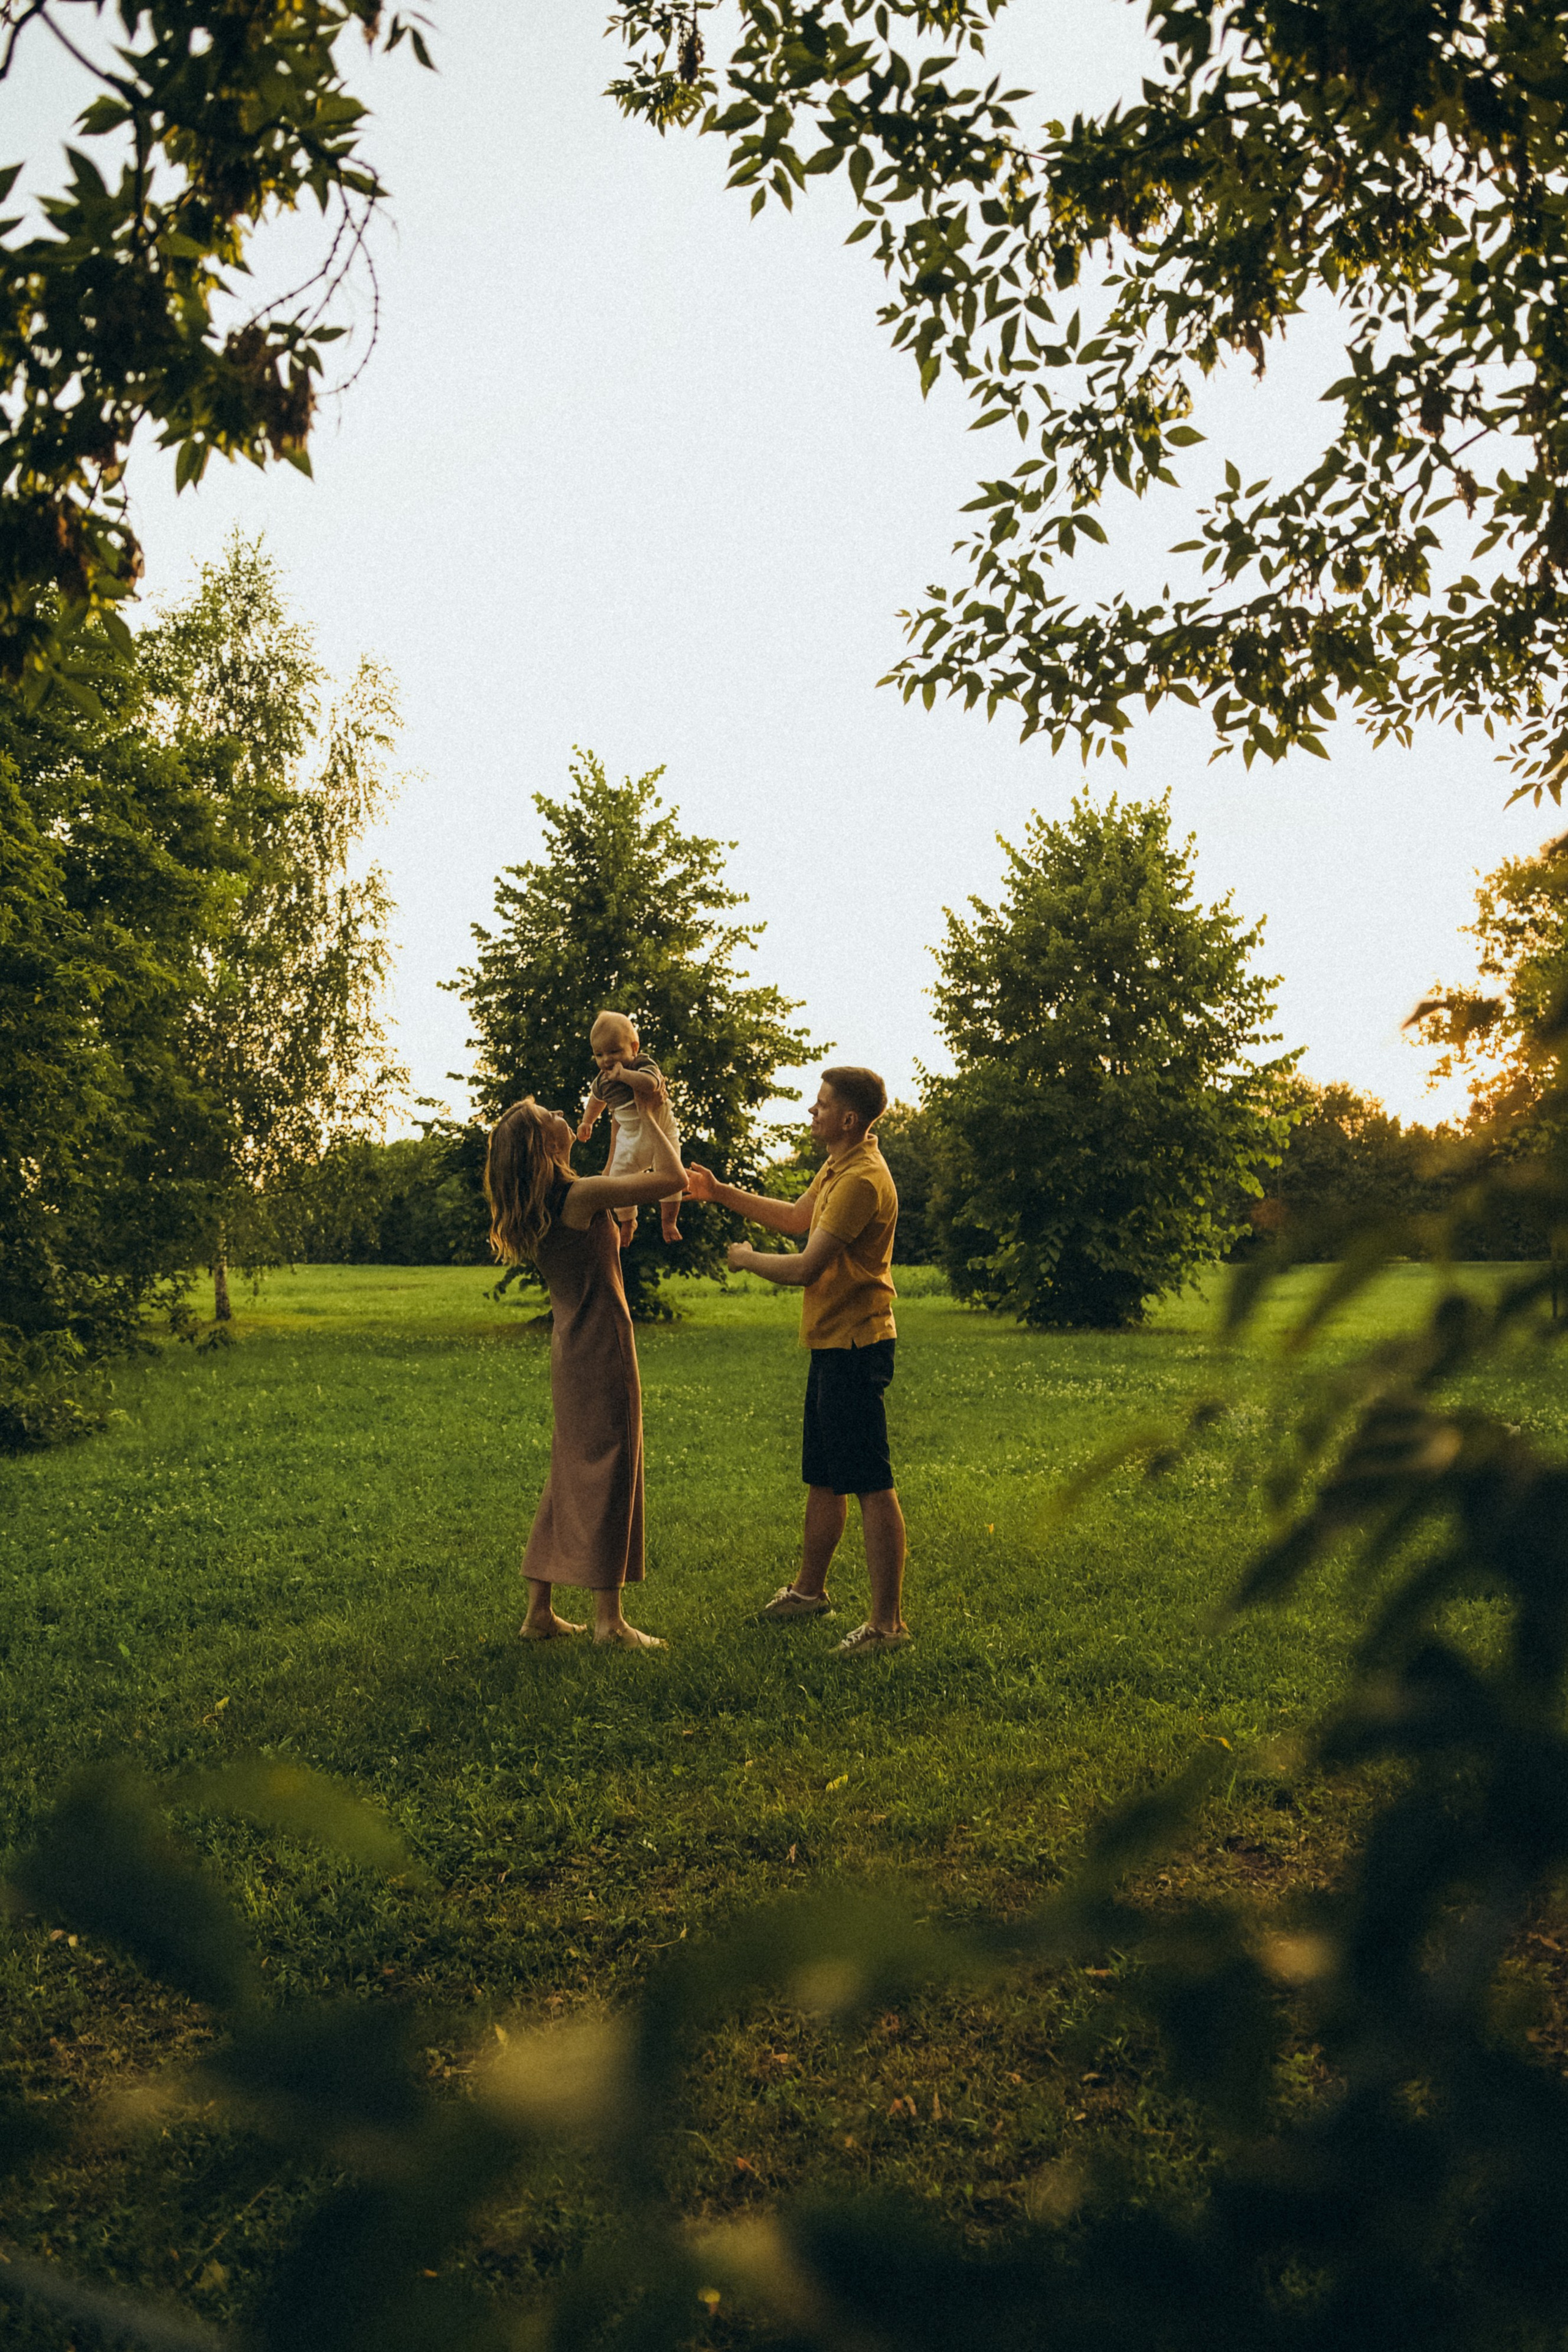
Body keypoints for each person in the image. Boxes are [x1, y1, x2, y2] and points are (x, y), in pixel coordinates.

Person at [684, 1066, 910, 1657]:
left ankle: (887, 1626)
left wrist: (746, 1259)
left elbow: (806, 1265)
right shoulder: (839, 1165)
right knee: (826, 1476)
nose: (813, 1111)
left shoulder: (863, 1179)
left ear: (849, 1119)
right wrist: (718, 1191)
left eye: (822, 1104)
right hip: (833, 1342)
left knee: (870, 1483)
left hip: (858, 1346)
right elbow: (795, 1217)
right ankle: (811, 1592)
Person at [484, 1068, 685, 1648]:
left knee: (570, 1471)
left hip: (570, 1350)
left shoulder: (547, 1207)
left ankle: (539, 1614)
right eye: (549, 1115)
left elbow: (610, 1241)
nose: (560, 1115)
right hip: (603, 1349)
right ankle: (609, 1623)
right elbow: (670, 1177)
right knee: (612, 1470)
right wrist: (650, 1108)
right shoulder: (582, 1195)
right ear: (547, 1144)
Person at [577, 1009, 684, 1248]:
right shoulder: (602, 1079)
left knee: (671, 1177)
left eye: (615, 1051)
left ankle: (669, 1222)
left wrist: (625, 1075)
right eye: (599, 1054)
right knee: (617, 1179)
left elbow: (652, 1084)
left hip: (661, 1130)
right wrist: (588, 1121)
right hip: (630, 1136)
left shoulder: (642, 1064)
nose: (606, 1060)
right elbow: (596, 1100)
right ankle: (628, 1221)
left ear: (634, 1048)